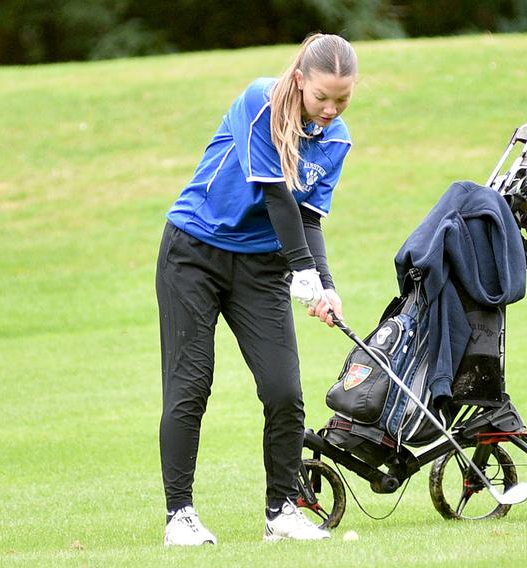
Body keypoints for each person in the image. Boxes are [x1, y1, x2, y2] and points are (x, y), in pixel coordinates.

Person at [155, 33, 357, 545]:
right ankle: (179, 515)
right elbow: (274, 198)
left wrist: (324, 284)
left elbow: (308, 218)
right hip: (193, 254)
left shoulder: (335, 140)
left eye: (342, 99)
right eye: (321, 97)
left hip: (262, 270)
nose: (330, 110)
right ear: (299, 81)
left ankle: (282, 511)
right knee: (191, 385)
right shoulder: (259, 102)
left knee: (284, 389)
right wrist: (304, 274)